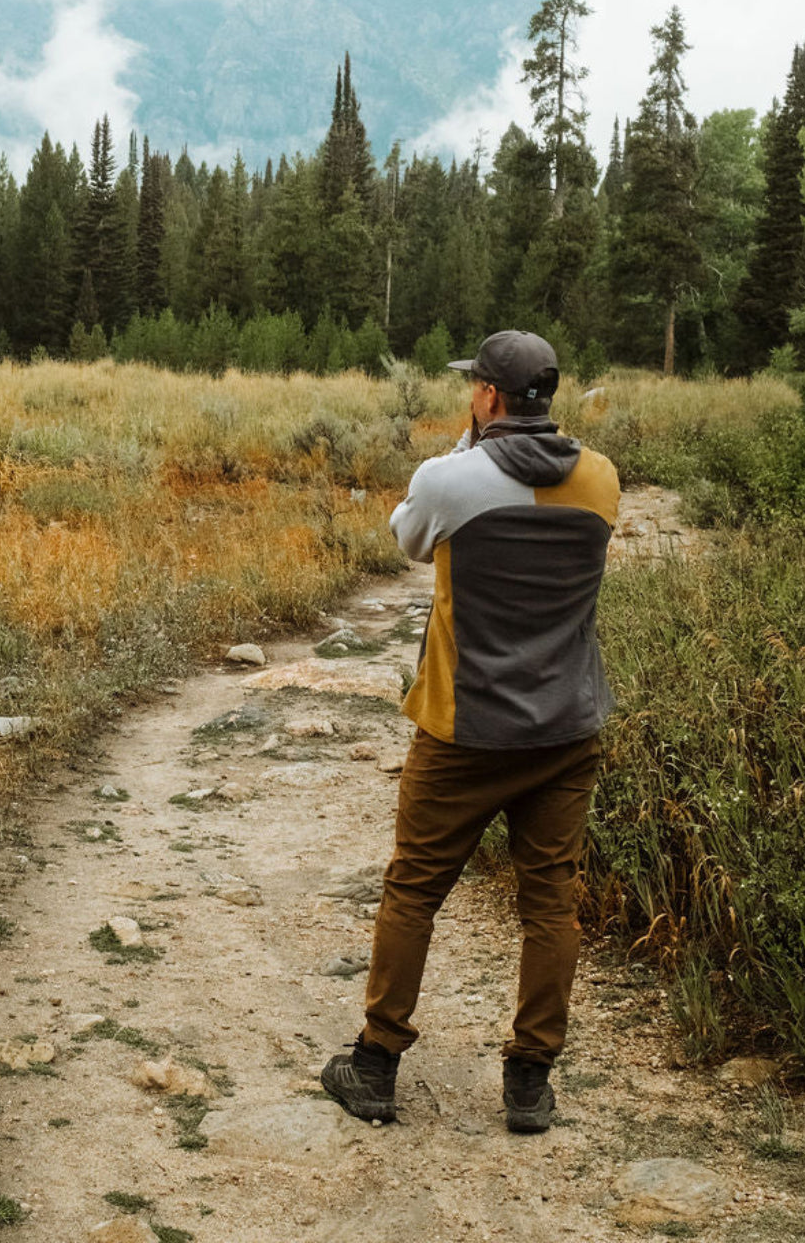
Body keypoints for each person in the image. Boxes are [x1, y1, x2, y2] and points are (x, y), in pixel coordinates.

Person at [321, 330, 619, 1134]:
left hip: (465, 729)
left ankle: (377, 1063)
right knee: (549, 904)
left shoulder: (450, 479)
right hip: (565, 728)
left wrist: (465, 447)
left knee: (414, 888)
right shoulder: (600, 479)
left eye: (475, 390)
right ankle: (529, 1081)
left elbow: (409, 537)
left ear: (488, 396)